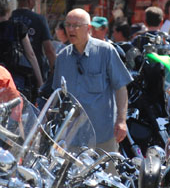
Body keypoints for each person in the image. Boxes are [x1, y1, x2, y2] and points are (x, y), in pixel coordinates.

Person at [52, 9, 132, 152]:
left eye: (76, 25)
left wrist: (121, 121)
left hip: (103, 136)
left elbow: (121, 87)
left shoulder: (106, 51)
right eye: (68, 25)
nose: (71, 29)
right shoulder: (62, 58)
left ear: (88, 28)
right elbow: (56, 96)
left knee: (108, 168)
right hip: (72, 138)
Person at [0, 0, 43, 96]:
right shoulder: (18, 27)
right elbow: (31, 55)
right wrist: (40, 81)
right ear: (8, 9)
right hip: (17, 75)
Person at [11, 0, 56, 85]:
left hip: (13, 73)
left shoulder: (10, 18)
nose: (35, 1)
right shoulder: (39, 19)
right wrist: (54, 72)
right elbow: (49, 50)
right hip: (35, 73)